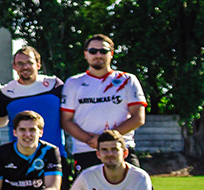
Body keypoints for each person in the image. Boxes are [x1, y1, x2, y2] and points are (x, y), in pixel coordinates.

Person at [61, 34, 148, 169]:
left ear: (111, 54)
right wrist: (92, 141)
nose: (98, 54)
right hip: (86, 150)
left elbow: (138, 117)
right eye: (93, 51)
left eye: (103, 51)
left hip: (121, 149)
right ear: (86, 54)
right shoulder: (73, 83)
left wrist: (106, 140)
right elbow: (66, 121)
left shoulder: (128, 80)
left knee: (139, 189)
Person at [0, 45, 64, 151]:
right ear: (14, 66)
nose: (25, 67)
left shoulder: (55, 85)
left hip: (55, 155)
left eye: (29, 63)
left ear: (38, 65)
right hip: (19, 159)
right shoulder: (6, 92)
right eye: (20, 64)